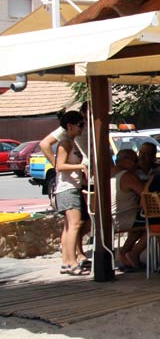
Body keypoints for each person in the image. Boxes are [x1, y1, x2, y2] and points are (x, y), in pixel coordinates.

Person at [53, 111, 90, 276]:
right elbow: (59, 166)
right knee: (74, 224)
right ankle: (71, 261)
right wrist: (81, 167)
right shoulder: (65, 143)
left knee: (70, 226)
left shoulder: (71, 143)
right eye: (80, 124)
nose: (82, 128)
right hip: (67, 188)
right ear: (70, 126)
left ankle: (67, 261)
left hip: (71, 186)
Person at [111, 149, 146, 270]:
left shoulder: (109, 174)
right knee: (156, 224)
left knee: (142, 221)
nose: (136, 164)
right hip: (124, 216)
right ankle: (133, 253)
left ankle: (124, 252)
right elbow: (145, 193)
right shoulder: (126, 176)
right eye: (135, 160)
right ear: (126, 160)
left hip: (111, 217)